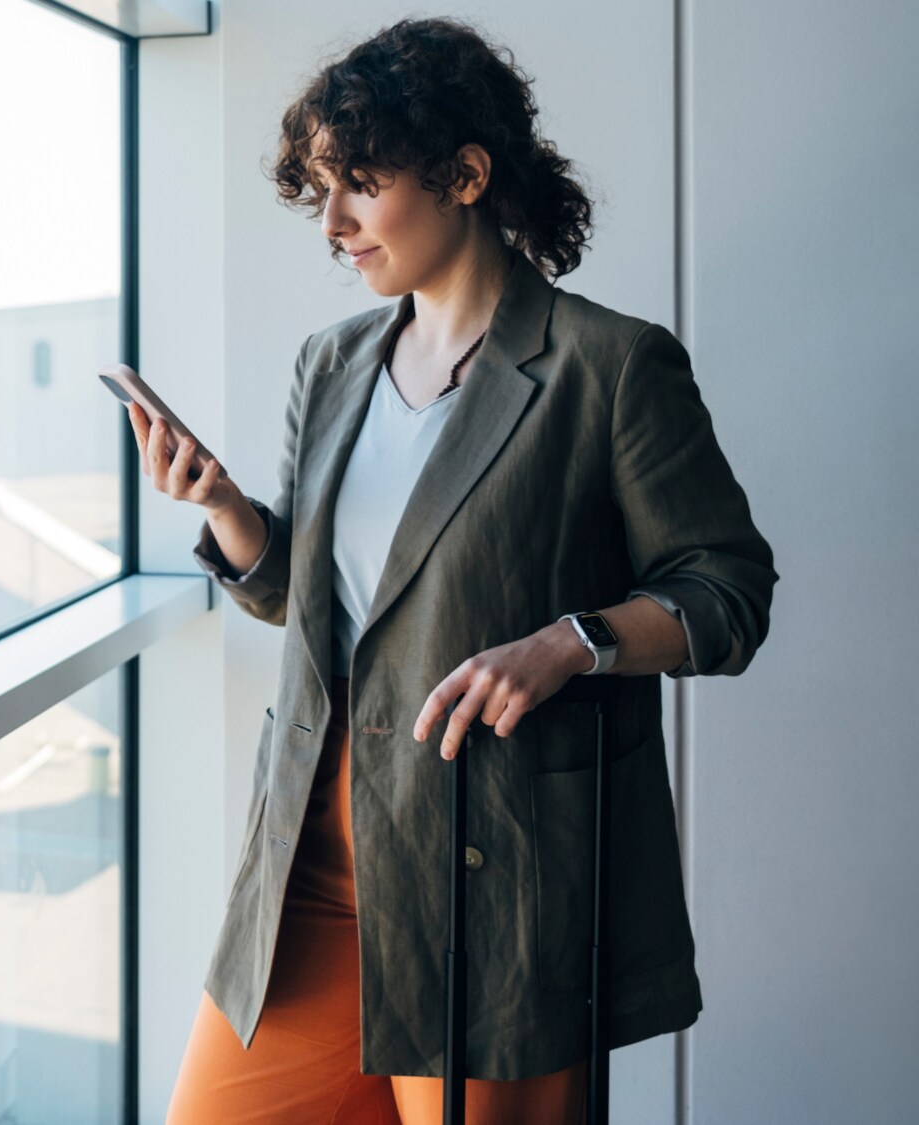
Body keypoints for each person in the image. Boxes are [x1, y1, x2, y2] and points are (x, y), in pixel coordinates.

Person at [140, 17, 777, 1125]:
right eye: (320, 190)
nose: (331, 222)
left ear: (465, 175)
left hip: (490, 880)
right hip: (307, 864)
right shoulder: (330, 363)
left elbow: (725, 595)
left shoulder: (608, 366)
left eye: (359, 184)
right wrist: (228, 513)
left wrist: (567, 643)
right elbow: (321, 599)